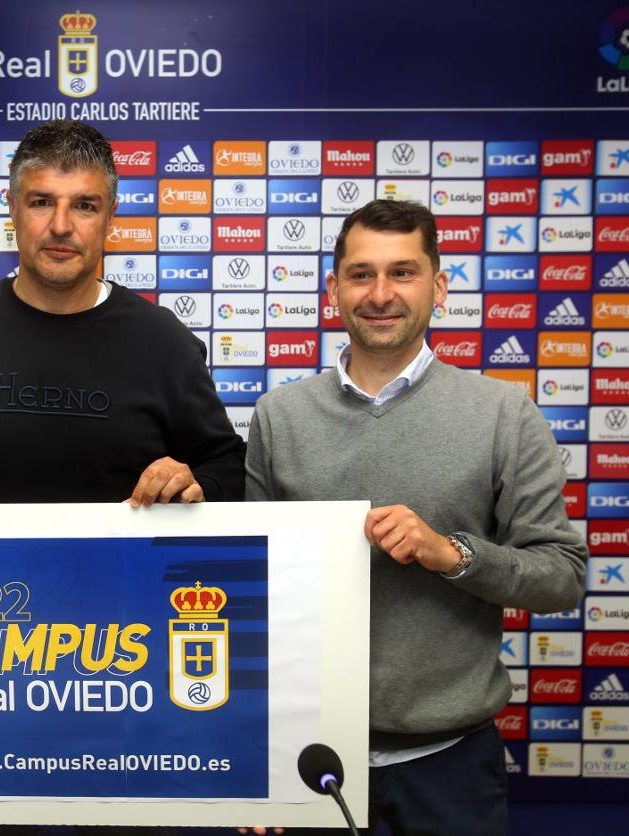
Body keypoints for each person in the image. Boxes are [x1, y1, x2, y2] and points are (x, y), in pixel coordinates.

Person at [245, 199, 587, 835]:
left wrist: (450, 553)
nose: (380, 294)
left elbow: (560, 576)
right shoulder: (280, 416)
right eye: (361, 274)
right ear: (334, 290)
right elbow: (252, 597)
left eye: (402, 273)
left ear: (439, 286)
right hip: (308, 756)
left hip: (450, 765)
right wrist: (248, 758)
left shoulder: (502, 414)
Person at [0, 118, 244, 511]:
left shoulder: (163, 339)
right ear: (12, 208)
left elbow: (227, 466)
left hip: (123, 572)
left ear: (110, 216)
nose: (61, 226)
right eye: (41, 202)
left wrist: (195, 483)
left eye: (84, 206)